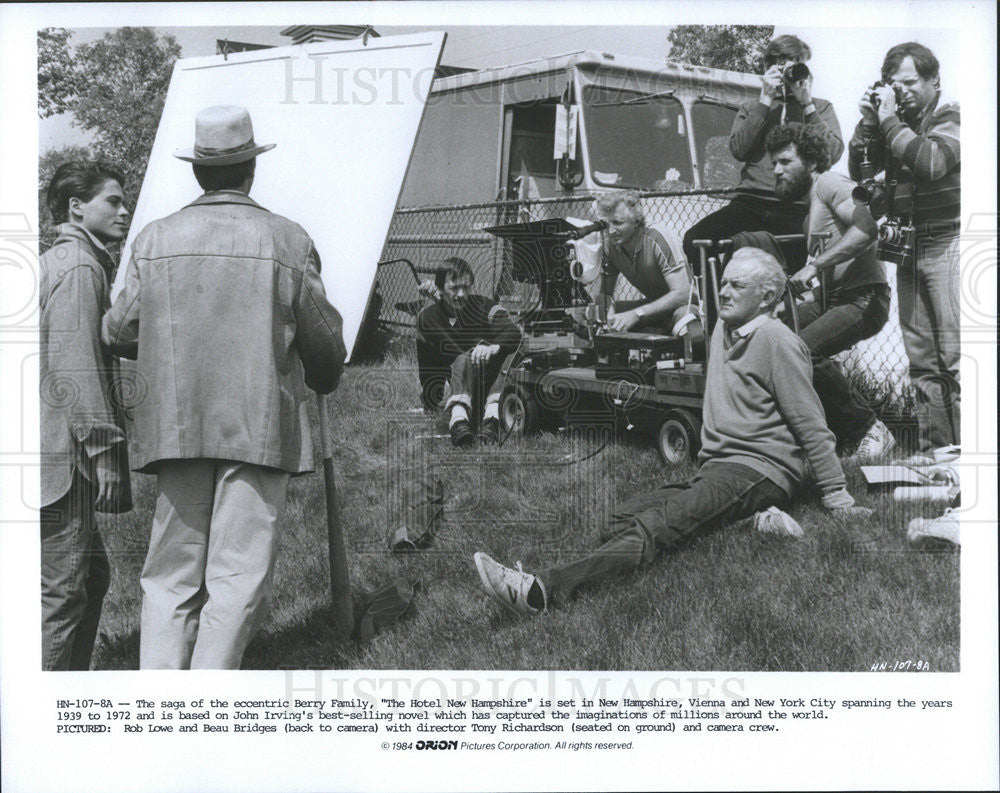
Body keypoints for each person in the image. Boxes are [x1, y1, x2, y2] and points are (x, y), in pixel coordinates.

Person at [474, 248, 868, 614]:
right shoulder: (725, 328)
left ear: (767, 298)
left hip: (759, 468)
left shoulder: (778, 342)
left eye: (737, 286)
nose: (724, 292)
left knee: (656, 527)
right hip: (717, 468)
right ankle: (750, 519)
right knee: (614, 522)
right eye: (724, 282)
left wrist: (836, 496)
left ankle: (541, 590)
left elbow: (810, 422)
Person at [102, 105, 346, 669]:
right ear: (250, 170)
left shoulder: (156, 238)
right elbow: (324, 347)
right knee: (237, 577)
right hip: (259, 427)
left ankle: (162, 704)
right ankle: (209, 701)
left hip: (177, 427)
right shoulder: (287, 239)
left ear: (197, 172)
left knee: (168, 576)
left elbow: (118, 331)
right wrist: (321, 374)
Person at [40, 161, 133, 671]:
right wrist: (104, 452)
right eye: (113, 202)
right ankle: (44, 718)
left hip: (45, 447)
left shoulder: (55, 261)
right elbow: (77, 369)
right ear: (77, 207)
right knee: (63, 594)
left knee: (90, 580)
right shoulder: (79, 268)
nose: (124, 211)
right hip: (62, 456)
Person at [848, 42, 960, 452]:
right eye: (894, 84)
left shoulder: (950, 115)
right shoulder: (896, 125)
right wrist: (865, 125)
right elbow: (859, 169)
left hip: (948, 242)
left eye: (910, 82)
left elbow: (932, 161)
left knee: (955, 356)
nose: (902, 91)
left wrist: (889, 120)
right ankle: (938, 453)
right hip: (909, 245)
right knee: (923, 359)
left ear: (934, 81)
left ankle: (972, 453)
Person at [765, 122, 896, 458]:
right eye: (773, 163)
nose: (775, 170)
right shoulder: (811, 213)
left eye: (784, 161)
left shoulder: (830, 182)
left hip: (864, 298)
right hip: (834, 300)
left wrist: (815, 265)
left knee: (804, 351)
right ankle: (808, 432)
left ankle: (870, 428)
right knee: (772, 337)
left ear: (810, 161)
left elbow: (867, 229)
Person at [682, 34, 843, 272]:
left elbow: (832, 153)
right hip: (749, 203)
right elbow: (739, 150)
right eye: (782, 63)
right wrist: (766, 99)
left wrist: (806, 103)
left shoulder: (820, 108)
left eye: (796, 63)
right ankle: (716, 305)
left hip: (794, 207)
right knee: (695, 239)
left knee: (784, 270)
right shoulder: (752, 107)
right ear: (768, 67)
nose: (789, 71)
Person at [415, 257, 522, 447]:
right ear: (439, 290)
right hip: (461, 386)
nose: (461, 294)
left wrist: (493, 347)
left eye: (466, 287)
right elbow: (427, 364)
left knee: (510, 350)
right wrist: (431, 401)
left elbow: (513, 332)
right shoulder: (427, 319)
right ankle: (459, 421)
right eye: (454, 288)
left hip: (491, 382)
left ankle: (492, 419)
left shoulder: (484, 306)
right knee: (463, 358)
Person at [593, 190, 702, 342]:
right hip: (652, 306)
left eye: (618, 223)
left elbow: (684, 293)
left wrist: (636, 314)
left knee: (689, 329)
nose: (611, 231)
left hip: (682, 306)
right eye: (606, 224)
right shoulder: (609, 245)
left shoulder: (657, 237)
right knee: (591, 316)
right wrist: (607, 320)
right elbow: (605, 295)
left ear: (636, 221)